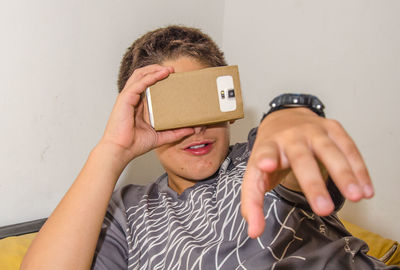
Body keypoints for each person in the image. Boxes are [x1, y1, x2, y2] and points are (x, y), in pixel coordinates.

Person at [20, 25, 397, 270]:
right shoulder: (123, 214)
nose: (196, 125)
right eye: (175, 110)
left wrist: (289, 117)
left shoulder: (257, 158)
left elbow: (291, 157)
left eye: (205, 105)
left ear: (230, 107)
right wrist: (111, 150)